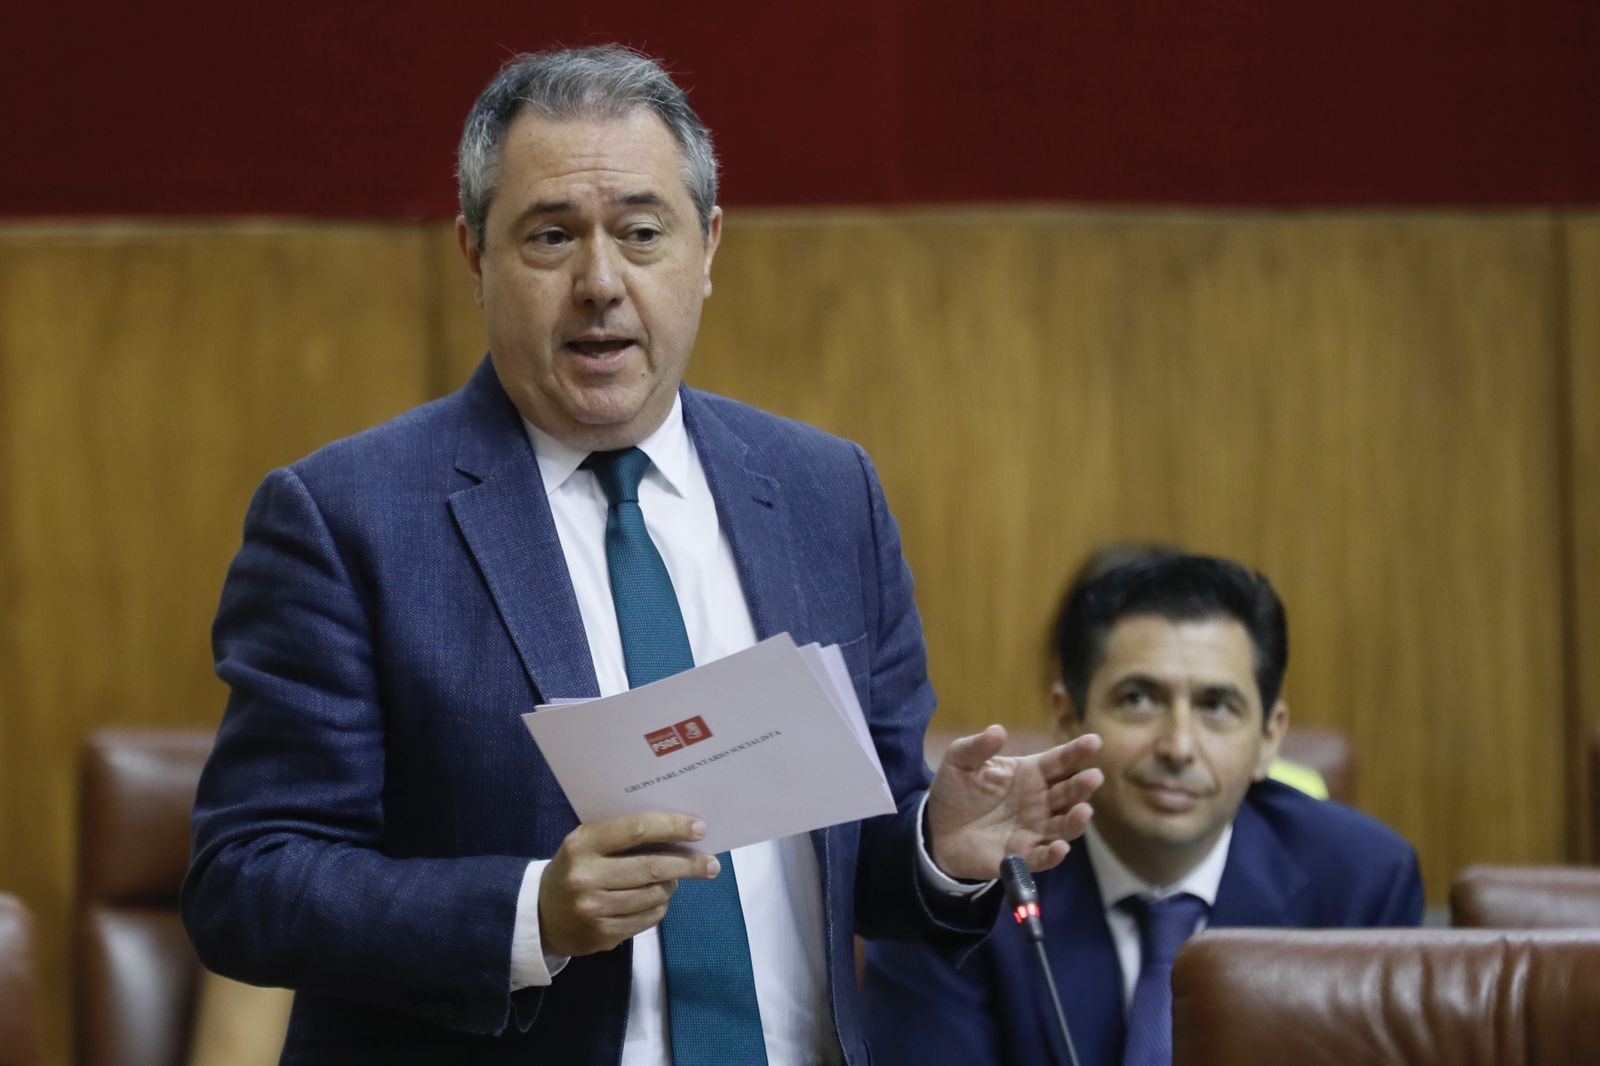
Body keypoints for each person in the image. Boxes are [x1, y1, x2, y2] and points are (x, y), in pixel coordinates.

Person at [181, 45, 1102, 1065]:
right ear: (474, 256)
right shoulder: (345, 516)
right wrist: (533, 912)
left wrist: (940, 847)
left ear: (706, 249)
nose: (600, 283)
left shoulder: (824, 493)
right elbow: (248, 880)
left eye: (641, 231)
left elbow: (858, 844)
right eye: (549, 236)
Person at [861, 552, 1423, 1066]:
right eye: (1139, 700)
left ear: (1270, 738)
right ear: (1068, 718)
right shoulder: (970, 887)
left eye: (1217, 706)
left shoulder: (1362, 883)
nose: (1178, 746)